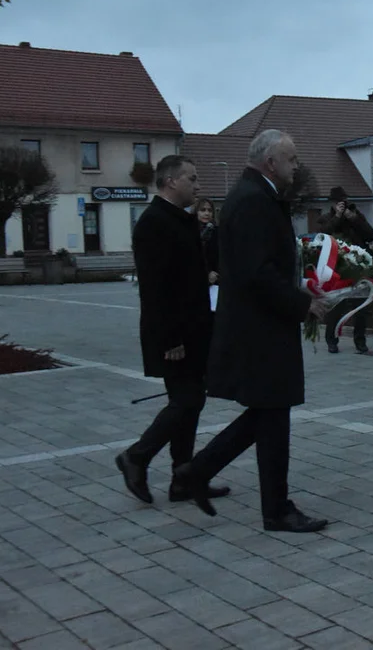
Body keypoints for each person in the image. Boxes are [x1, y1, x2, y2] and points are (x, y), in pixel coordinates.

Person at [173, 129, 330, 533]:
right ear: (270, 162)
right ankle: (273, 508)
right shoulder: (253, 201)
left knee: (268, 415)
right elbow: (256, 273)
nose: (296, 166)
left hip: (263, 328)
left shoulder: (256, 197)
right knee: (271, 415)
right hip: (259, 331)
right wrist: (302, 303)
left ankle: (201, 472)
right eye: (291, 159)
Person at [116, 155, 230, 505]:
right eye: (191, 179)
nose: (198, 185)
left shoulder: (181, 220)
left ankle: (183, 478)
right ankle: (137, 456)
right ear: (170, 182)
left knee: (190, 403)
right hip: (173, 335)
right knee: (187, 400)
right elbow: (155, 289)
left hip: (194, 330)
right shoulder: (153, 223)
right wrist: (170, 340)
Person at [316, 186, 373, 353]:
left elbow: (371, 234)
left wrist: (355, 219)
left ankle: (360, 340)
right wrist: (337, 216)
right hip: (338, 266)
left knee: (361, 305)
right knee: (337, 304)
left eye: (344, 201)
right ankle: (332, 340)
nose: (343, 205)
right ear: (333, 203)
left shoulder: (354, 216)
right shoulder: (325, 218)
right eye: (339, 202)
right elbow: (324, 235)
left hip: (357, 265)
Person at [195, 198, 220, 288]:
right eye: (202, 210)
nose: (207, 213)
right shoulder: (190, 231)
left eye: (210, 210)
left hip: (215, 281)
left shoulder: (217, 232)